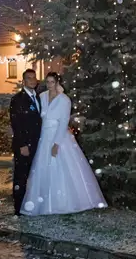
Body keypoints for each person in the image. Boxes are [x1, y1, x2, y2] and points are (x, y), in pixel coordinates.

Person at [21, 72, 107, 216]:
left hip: (58, 136)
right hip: (44, 135)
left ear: (57, 82)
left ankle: (63, 202)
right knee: (43, 168)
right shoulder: (41, 96)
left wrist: (56, 143)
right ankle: (43, 202)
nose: (49, 85)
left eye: (52, 82)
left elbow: (63, 122)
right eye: (47, 82)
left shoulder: (64, 100)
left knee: (61, 168)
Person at [9, 68, 43, 216]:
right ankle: (19, 208)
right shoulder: (18, 99)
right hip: (24, 145)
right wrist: (23, 145)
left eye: (34, 78)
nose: (32, 80)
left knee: (34, 175)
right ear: (24, 81)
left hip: (37, 144)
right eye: (29, 78)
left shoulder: (38, 98)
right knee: (21, 176)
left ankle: (31, 205)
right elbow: (16, 123)